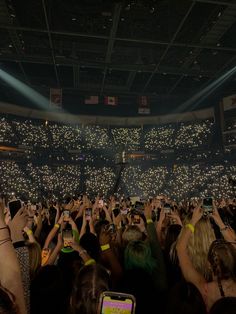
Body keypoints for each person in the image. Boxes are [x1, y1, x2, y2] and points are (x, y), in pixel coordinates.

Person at [176, 205, 236, 311]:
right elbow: (234, 243)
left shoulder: (205, 290)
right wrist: (219, 221)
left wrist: (193, 221)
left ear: (209, 264)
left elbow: (180, 249)